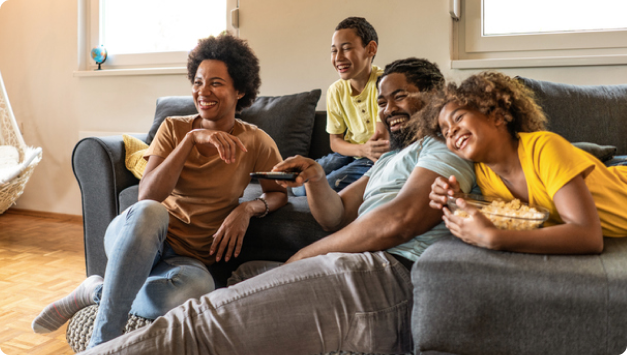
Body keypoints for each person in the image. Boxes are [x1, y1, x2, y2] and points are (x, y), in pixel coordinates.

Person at [79, 58, 475, 355]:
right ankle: (105, 331)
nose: (387, 110)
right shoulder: (389, 159)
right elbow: (337, 215)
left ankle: (104, 291)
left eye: (399, 96)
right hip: (147, 229)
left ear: (239, 91)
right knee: (168, 231)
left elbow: (397, 221)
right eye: (382, 101)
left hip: (376, 270)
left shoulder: (444, 147)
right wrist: (318, 178)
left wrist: (287, 243)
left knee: (199, 312)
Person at [32, 33, 287, 348]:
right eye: (197, 81)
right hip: (139, 236)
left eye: (216, 83)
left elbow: (278, 192)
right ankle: (103, 342)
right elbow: (147, 196)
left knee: (195, 292)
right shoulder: (174, 128)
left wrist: (248, 209)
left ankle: (94, 291)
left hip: (187, 261)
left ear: (240, 90)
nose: (203, 91)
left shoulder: (256, 141)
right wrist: (190, 140)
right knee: (152, 211)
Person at [420, 71, 627, 254]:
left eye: (458, 118)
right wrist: (457, 200)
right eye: (445, 132)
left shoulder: (545, 148)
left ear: (497, 116)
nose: (452, 131)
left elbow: (588, 237)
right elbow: (514, 220)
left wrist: (493, 238)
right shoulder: (485, 175)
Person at [292, 17, 390, 196]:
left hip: (375, 158)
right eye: (334, 51)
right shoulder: (336, 91)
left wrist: (364, 151)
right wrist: (359, 149)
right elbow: (335, 142)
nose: (338, 58)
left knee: (316, 188)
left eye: (346, 48)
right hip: (351, 152)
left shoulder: (384, 84)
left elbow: (379, 142)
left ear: (370, 49)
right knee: (298, 184)